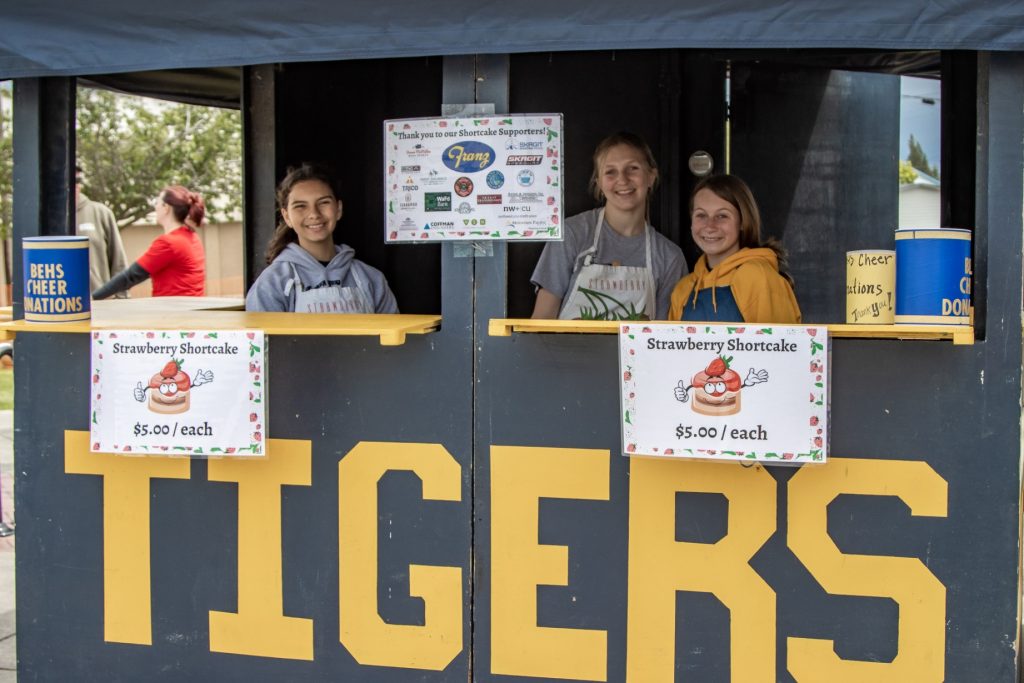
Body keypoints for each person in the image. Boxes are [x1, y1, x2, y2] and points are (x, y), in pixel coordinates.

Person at [530, 131, 686, 320]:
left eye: (633, 168)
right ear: (599, 183)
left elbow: (662, 339)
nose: (622, 179)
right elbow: (541, 320)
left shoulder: (670, 257)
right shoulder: (572, 234)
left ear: (651, 176)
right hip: (568, 350)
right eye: (610, 172)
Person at [245, 163, 398, 313]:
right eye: (300, 206)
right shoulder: (272, 283)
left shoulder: (371, 278)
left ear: (338, 209)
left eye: (323, 202)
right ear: (287, 217)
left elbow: (395, 336)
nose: (314, 214)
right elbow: (263, 338)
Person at [668, 174, 801, 323]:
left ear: (743, 221)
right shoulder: (683, 289)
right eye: (701, 215)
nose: (710, 226)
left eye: (722, 216)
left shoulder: (758, 277)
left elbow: (779, 344)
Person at [92, 185, 206, 299]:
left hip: (172, 312)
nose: (155, 207)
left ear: (166, 208)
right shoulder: (192, 237)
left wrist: (93, 298)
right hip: (192, 310)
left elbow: (131, 276)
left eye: (157, 203)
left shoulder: (169, 243)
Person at [75, 165, 128, 298]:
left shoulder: (101, 213)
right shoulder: (47, 217)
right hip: (57, 307)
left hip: (99, 304)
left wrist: (122, 299)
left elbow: (118, 261)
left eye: (77, 180)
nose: (75, 185)